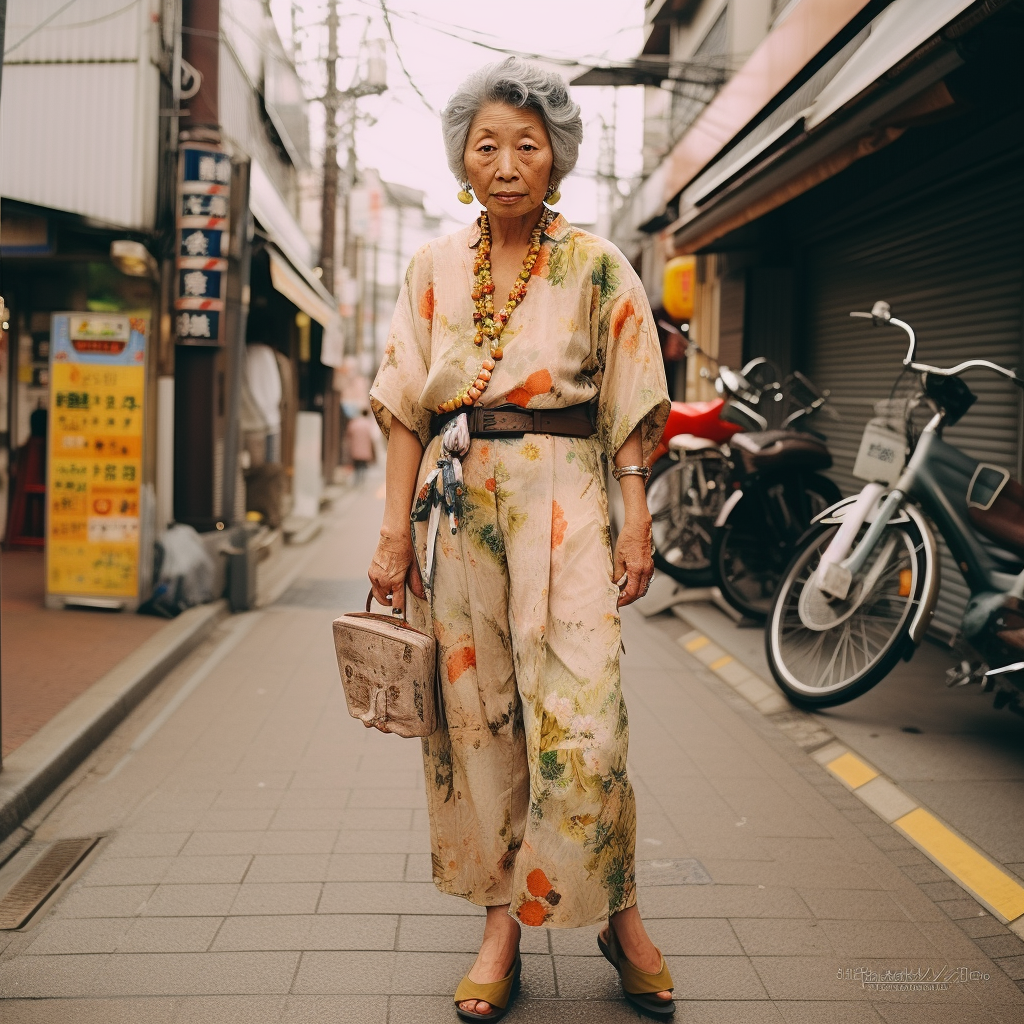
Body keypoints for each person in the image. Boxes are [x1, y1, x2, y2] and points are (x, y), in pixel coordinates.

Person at [368, 57, 673, 1021]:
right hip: (458, 514)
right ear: (464, 157)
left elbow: (632, 404)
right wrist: (387, 539)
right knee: (479, 723)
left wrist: (637, 518)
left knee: (585, 728)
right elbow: (402, 413)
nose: (505, 162)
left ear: (556, 161)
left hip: (569, 502)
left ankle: (617, 912)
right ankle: (500, 924)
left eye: (527, 145)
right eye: (487, 144)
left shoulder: (595, 264)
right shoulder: (431, 269)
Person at [346, 408, 377, 482]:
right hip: (365, 448)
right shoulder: (368, 424)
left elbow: (349, 434)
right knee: (363, 465)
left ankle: (357, 479)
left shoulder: (354, 422)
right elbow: (372, 436)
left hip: (355, 448)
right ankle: (362, 479)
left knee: (356, 464)